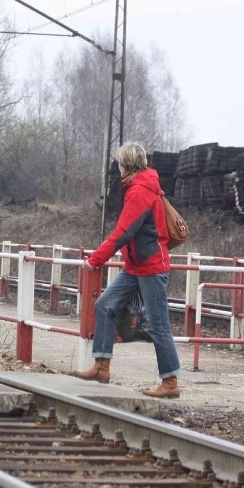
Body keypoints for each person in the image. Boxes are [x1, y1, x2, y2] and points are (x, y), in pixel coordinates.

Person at [76, 142, 181, 399]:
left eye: (119, 163)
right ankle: (101, 366)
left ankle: (170, 383)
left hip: (151, 267)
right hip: (136, 266)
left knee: (158, 325)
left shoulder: (140, 191)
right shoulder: (140, 186)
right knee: (105, 304)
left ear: (125, 165)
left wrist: (95, 259)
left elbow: (124, 232)